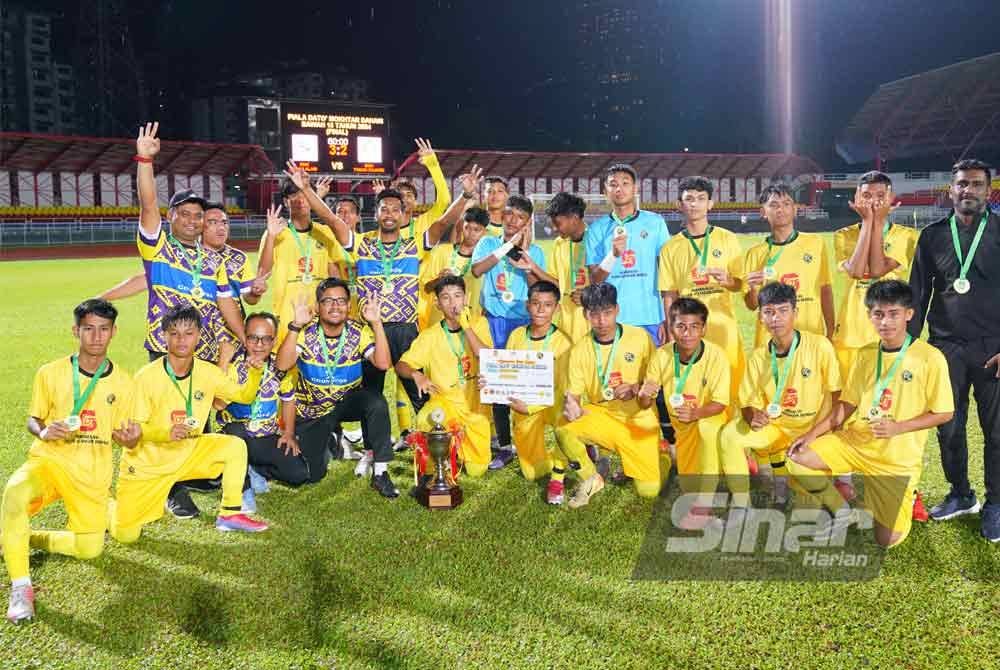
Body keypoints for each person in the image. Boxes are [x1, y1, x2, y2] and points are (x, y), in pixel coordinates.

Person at [285, 165, 470, 444]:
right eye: (384, 209)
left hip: (406, 330)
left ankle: (436, 446)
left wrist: (466, 195)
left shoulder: (414, 245)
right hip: (371, 331)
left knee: (420, 389)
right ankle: (373, 454)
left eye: (395, 209)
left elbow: (443, 223)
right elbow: (331, 220)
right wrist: (307, 189)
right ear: (377, 213)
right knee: (371, 396)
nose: (390, 214)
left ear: (403, 214)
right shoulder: (362, 246)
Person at [787, 280, 954, 547]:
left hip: (895, 460)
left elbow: (944, 412)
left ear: (909, 314)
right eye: (878, 314)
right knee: (797, 457)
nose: (885, 322)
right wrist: (811, 434)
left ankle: (900, 495)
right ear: (869, 316)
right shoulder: (866, 354)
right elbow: (847, 404)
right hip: (857, 442)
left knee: (886, 540)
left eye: (893, 314)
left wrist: (898, 427)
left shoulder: (929, 358)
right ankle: (842, 511)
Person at [2, 299, 139, 624]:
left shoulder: (124, 383)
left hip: (92, 476)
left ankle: (25, 538)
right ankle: (21, 587)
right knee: (15, 493)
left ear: (114, 332)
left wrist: (131, 439)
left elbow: (129, 435)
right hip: (49, 463)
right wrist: (45, 430)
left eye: (103, 329)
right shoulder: (50, 372)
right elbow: (32, 420)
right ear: (75, 330)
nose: (96, 336)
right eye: (88, 328)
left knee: (90, 549)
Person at [111, 305, 270, 544]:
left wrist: (255, 373)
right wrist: (166, 432)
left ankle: (230, 514)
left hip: (187, 454)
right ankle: (105, 506)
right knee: (126, 535)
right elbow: (133, 430)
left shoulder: (207, 372)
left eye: (188, 333)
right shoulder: (146, 377)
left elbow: (244, 397)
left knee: (235, 446)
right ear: (163, 336)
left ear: (198, 335)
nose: (181, 339)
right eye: (174, 333)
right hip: (148, 466)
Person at [907, 159, 1000, 541]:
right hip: (945, 348)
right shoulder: (931, 236)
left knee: (996, 432)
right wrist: (910, 346)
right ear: (951, 190)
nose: (969, 191)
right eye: (962, 184)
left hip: (994, 348)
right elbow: (918, 292)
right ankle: (961, 493)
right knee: (949, 427)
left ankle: (996, 503)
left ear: (988, 191)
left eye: (977, 184)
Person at [831, 171, 920, 510]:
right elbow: (857, 271)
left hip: (890, 339)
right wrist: (869, 223)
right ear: (856, 199)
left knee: (891, 407)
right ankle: (844, 479)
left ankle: (900, 482)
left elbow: (879, 268)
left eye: (879, 195)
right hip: (850, 337)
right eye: (866, 195)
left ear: (892, 199)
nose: (873, 201)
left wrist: (875, 223)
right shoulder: (842, 235)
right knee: (846, 409)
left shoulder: (908, 237)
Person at [718, 282, 841, 508]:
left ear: (796, 312)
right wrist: (751, 416)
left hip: (812, 428)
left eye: (783, 311)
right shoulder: (758, 357)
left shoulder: (820, 346)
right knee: (729, 436)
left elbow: (837, 396)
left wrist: (819, 433)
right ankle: (742, 507)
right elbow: (746, 402)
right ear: (760, 318)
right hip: (776, 427)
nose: (776, 318)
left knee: (808, 509)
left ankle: (838, 506)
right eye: (769, 312)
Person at [133, 122, 245, 363]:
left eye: (198, 215)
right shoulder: (158, 249)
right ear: (170, 216)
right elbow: (148, 205)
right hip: (164, 349)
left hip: (204, 353)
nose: (192, 221)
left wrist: (245, 339)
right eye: (184, 214)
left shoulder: (215, 261)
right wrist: (145, 160)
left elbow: (226, 304)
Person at [282, 278, 400, 498]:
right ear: (317, 307)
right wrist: (295, 326)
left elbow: (383, 364)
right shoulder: (306, 332)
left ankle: (381, 472)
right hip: (313, 410)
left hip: (345, 401)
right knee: (311, 474)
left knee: (375, 402)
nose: (335, 306)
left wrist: (376, 324)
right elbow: (282, 364)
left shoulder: (358, 331)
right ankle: (332, 441)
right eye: (328, 301)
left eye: (341, 301)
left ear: (349, 306)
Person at [555, 283, 669, 508]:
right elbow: (574, 395)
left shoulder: (640, 337)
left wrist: (636, 387)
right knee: (564, 430)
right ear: (586, 314)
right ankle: (592, 479)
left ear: (617, 309)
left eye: (607, 313)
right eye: (595, 314)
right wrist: (573, 406)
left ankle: (662, 457)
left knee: (648, 492)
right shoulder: (579, 350)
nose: (602, 321)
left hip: (639, 419)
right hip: (604, 416)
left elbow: (659, 381)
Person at [471, 194, 556, 469]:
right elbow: (476, 270)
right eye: (509, 214)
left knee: (524, 383)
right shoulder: (488, 242)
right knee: (496, 383)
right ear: (502, 215)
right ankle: (505, 446)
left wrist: (527, 263)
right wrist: (507, 247)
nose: (512, 220)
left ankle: (527, 441)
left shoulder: (536, 250)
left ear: (527, 221)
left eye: (520, 217)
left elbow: (536, 288)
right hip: (495, 319)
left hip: (521, 322)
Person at [639, 297, 734, 529]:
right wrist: (644, 394)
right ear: (671, 327)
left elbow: (720, 403)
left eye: (694, 327)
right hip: (681, 427)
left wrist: (696, 414)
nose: (687, 333)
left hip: (708, 416)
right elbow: (643, 404)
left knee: (707, 430)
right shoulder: (661, 356)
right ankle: (726, 464)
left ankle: (703, 507)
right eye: (681, 326)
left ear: (704, 329)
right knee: (689, 483)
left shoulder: (717, 356)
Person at [398, 274, 495, 478]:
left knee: (477, 470)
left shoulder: (479, 324)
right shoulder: (430, 336)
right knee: (428, 418)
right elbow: (401, 365)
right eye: (446, 298)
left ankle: (461, 448)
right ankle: (441, 461)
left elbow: (484, 355)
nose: (453, 303)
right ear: (437, 304)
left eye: (458, 296)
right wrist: (417, 375)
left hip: (474, 408)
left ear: (465, 298)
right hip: (446, 406)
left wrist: (466, 326)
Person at [658, 177, 744, 397]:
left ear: (710, 204)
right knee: (694, 387)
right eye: (689, 199)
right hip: (688, 329)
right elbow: (670, 294)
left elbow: (740, 285)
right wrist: (671, 330)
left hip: (721, 325)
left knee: (729, 386)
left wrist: (729, 281)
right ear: (679, 205)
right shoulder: (670, 247)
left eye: (700, 198)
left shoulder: (728, 239)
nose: (694, 204)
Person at [215, 311, 309, 511]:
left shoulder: (280, 365)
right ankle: (243, 489)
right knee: (236, 434)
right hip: (237, 435)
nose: (259, 345)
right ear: (244, 337)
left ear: (274, 341)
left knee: (298, 474)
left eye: (266, 339)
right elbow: (218, 404)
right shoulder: (233, 364)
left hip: (264, 436)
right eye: (253, 338)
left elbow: (288, 400)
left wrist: (289, 433)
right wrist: (223, 362)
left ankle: (252, 468)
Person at [499, 281, 574, 497]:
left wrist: (532, 406)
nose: (541, 310)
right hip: (522, 405)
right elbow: (507, 372)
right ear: (527, 305)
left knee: (566, 421)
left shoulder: (563, 342)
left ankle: (558, 476)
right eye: (536, 303)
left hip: (551, 402)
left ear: (557, 308)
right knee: (533, 472)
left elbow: (562, 387)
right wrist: (494, 384)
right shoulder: (516, 336)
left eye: (548, 305)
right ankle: (564, 454)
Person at [256, 175, 345, 349]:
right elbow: (263, 273)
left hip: (320, 317)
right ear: (285, 201)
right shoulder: (275, 233)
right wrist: (271, 236)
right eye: (292, 195)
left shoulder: (325, 233)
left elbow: (334, 277)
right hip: (286, 318)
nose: (299, 200)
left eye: (303, 194)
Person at [586, 163, 670, 344]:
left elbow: (667, 274)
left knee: (652, 372)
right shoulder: (596, 229)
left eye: (625, 183)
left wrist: (667, 319)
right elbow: (595, 280)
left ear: (635, 188)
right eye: (613, 184)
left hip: (651, 317)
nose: (619, 189)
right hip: (613, 321)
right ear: (605, 190)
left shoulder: (655, 222)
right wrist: (613, 255)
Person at [743, 183, 835, 347]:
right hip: (771, 340)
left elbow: (825, 290)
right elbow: (752, 305)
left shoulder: (815, 243)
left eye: (786, 204)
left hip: (811, 334)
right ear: (763, 212)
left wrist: (830, 331)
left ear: (795, 209)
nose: (781, 209)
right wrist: (753, 289)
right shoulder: (755, 254)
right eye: (774, 205)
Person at [422, 206, 489, 327]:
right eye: (467, 228)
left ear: (485, 232)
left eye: (476, 230)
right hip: (438, 324)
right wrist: (440, 280)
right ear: (461, 227)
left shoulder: (485, 262)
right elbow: (426, 288)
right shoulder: (441, 251)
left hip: (470, 324)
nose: (471, 233)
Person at [546, 192, 591, 342]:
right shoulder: (559, 244)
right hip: (565, 319)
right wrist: (531, 267)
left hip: (590, 318)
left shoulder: (597, 241)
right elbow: (554, 280)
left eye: (558, 223)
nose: (554, 228)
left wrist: (590, 293)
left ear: (574, 218)